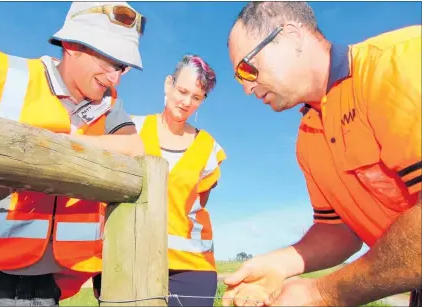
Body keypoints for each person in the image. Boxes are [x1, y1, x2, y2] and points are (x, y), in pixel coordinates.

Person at [0, 2, 147, 306]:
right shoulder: (7, 74)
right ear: (73, 45)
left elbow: (136, 151)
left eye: (121, 66)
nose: (114, 77)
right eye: (107, 60)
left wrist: (50, 146)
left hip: (45, 288)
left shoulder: (110, 106)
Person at [224, 2, 421, 307]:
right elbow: (339, 230)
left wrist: (322, 293)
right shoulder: (308, 140)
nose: (247, 89)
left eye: (247, 68)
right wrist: (279, 264)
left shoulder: (398, 64)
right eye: (240, 78)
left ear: (291, 37)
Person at [91, 54, 226, 307]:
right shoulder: (131, 130)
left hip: (192, 268)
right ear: (168, 84)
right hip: (130, 260)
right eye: (182, 91)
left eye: (196, 97)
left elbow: (195, 206)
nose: (186, 102)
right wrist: (103, 261)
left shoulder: (210, 148)